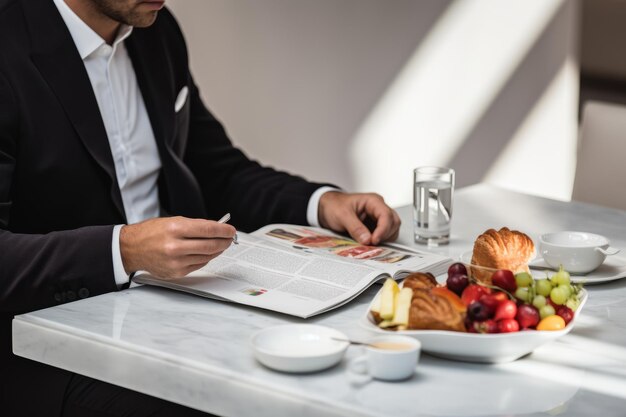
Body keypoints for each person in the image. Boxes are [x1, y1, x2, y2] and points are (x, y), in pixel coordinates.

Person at [0, 0, 401, 415]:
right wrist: (124, 250)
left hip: (178, 311)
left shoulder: (154, 28)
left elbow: (215, 170)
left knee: (348, 365)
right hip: (46, 349)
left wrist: (321, 202)